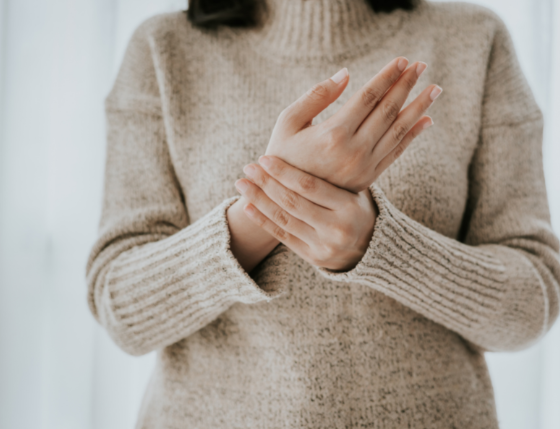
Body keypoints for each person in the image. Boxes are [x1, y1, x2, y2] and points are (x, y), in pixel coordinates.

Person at [85, 0, 560, 427]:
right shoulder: (162, 48)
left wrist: (376, 244)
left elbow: (532, 305)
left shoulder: (476, 37)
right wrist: (270, 207)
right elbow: (122, 311)